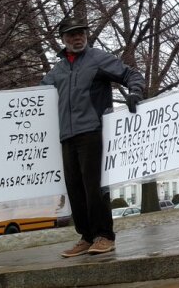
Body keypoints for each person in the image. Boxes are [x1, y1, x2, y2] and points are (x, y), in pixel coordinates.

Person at [36, 17, 145, 257]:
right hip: (66, 136)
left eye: (81, 33)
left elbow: (131, 75)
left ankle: (104, 235)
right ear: (63, 40)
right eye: (72, 35)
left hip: (93, 132)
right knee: (74, 189)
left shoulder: (97, 59)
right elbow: (34, 98)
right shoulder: (57, 71)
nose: (78, 38)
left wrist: (135, 92)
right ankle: (86, 236)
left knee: (94, 187)